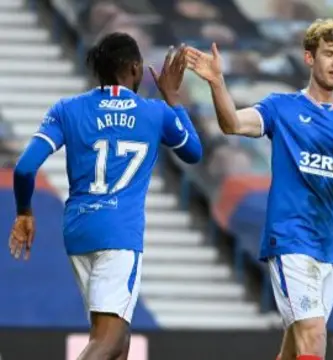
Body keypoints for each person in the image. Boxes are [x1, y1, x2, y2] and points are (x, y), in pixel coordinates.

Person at [185, 18, 333, 360]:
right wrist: (217, 82)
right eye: (329, 53)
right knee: (314, 336)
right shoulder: (280, 108)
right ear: (310, 58)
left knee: (295, 345)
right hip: (290, 238)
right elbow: (233, 123)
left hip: (330, 245)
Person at [8, 32, 202, 360]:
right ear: (135, 68)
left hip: (79, 231)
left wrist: (24, 212)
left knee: (117, 340)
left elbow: (25, 167)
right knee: (109, 341)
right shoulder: (155, 113)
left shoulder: (68, 108)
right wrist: (172, 96)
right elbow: (194, 152)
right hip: (119, 234)